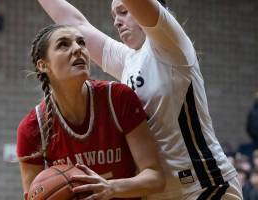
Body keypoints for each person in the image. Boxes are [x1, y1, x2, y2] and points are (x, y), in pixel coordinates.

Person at [36, 0, 242, 199]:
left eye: (124, 11)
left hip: (204, 185)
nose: (116, 21)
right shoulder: (128, 60)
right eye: (114, 15)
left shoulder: (170, 43)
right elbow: (76, 23)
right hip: (157, 193)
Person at [16, 24, 165, 200]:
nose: (78, 49)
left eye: (81, 43)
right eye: (63, 44)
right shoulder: (33, 128)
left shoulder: (118, 98)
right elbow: (34, 195)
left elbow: (155, 178)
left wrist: (111, 188)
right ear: (43, 65)